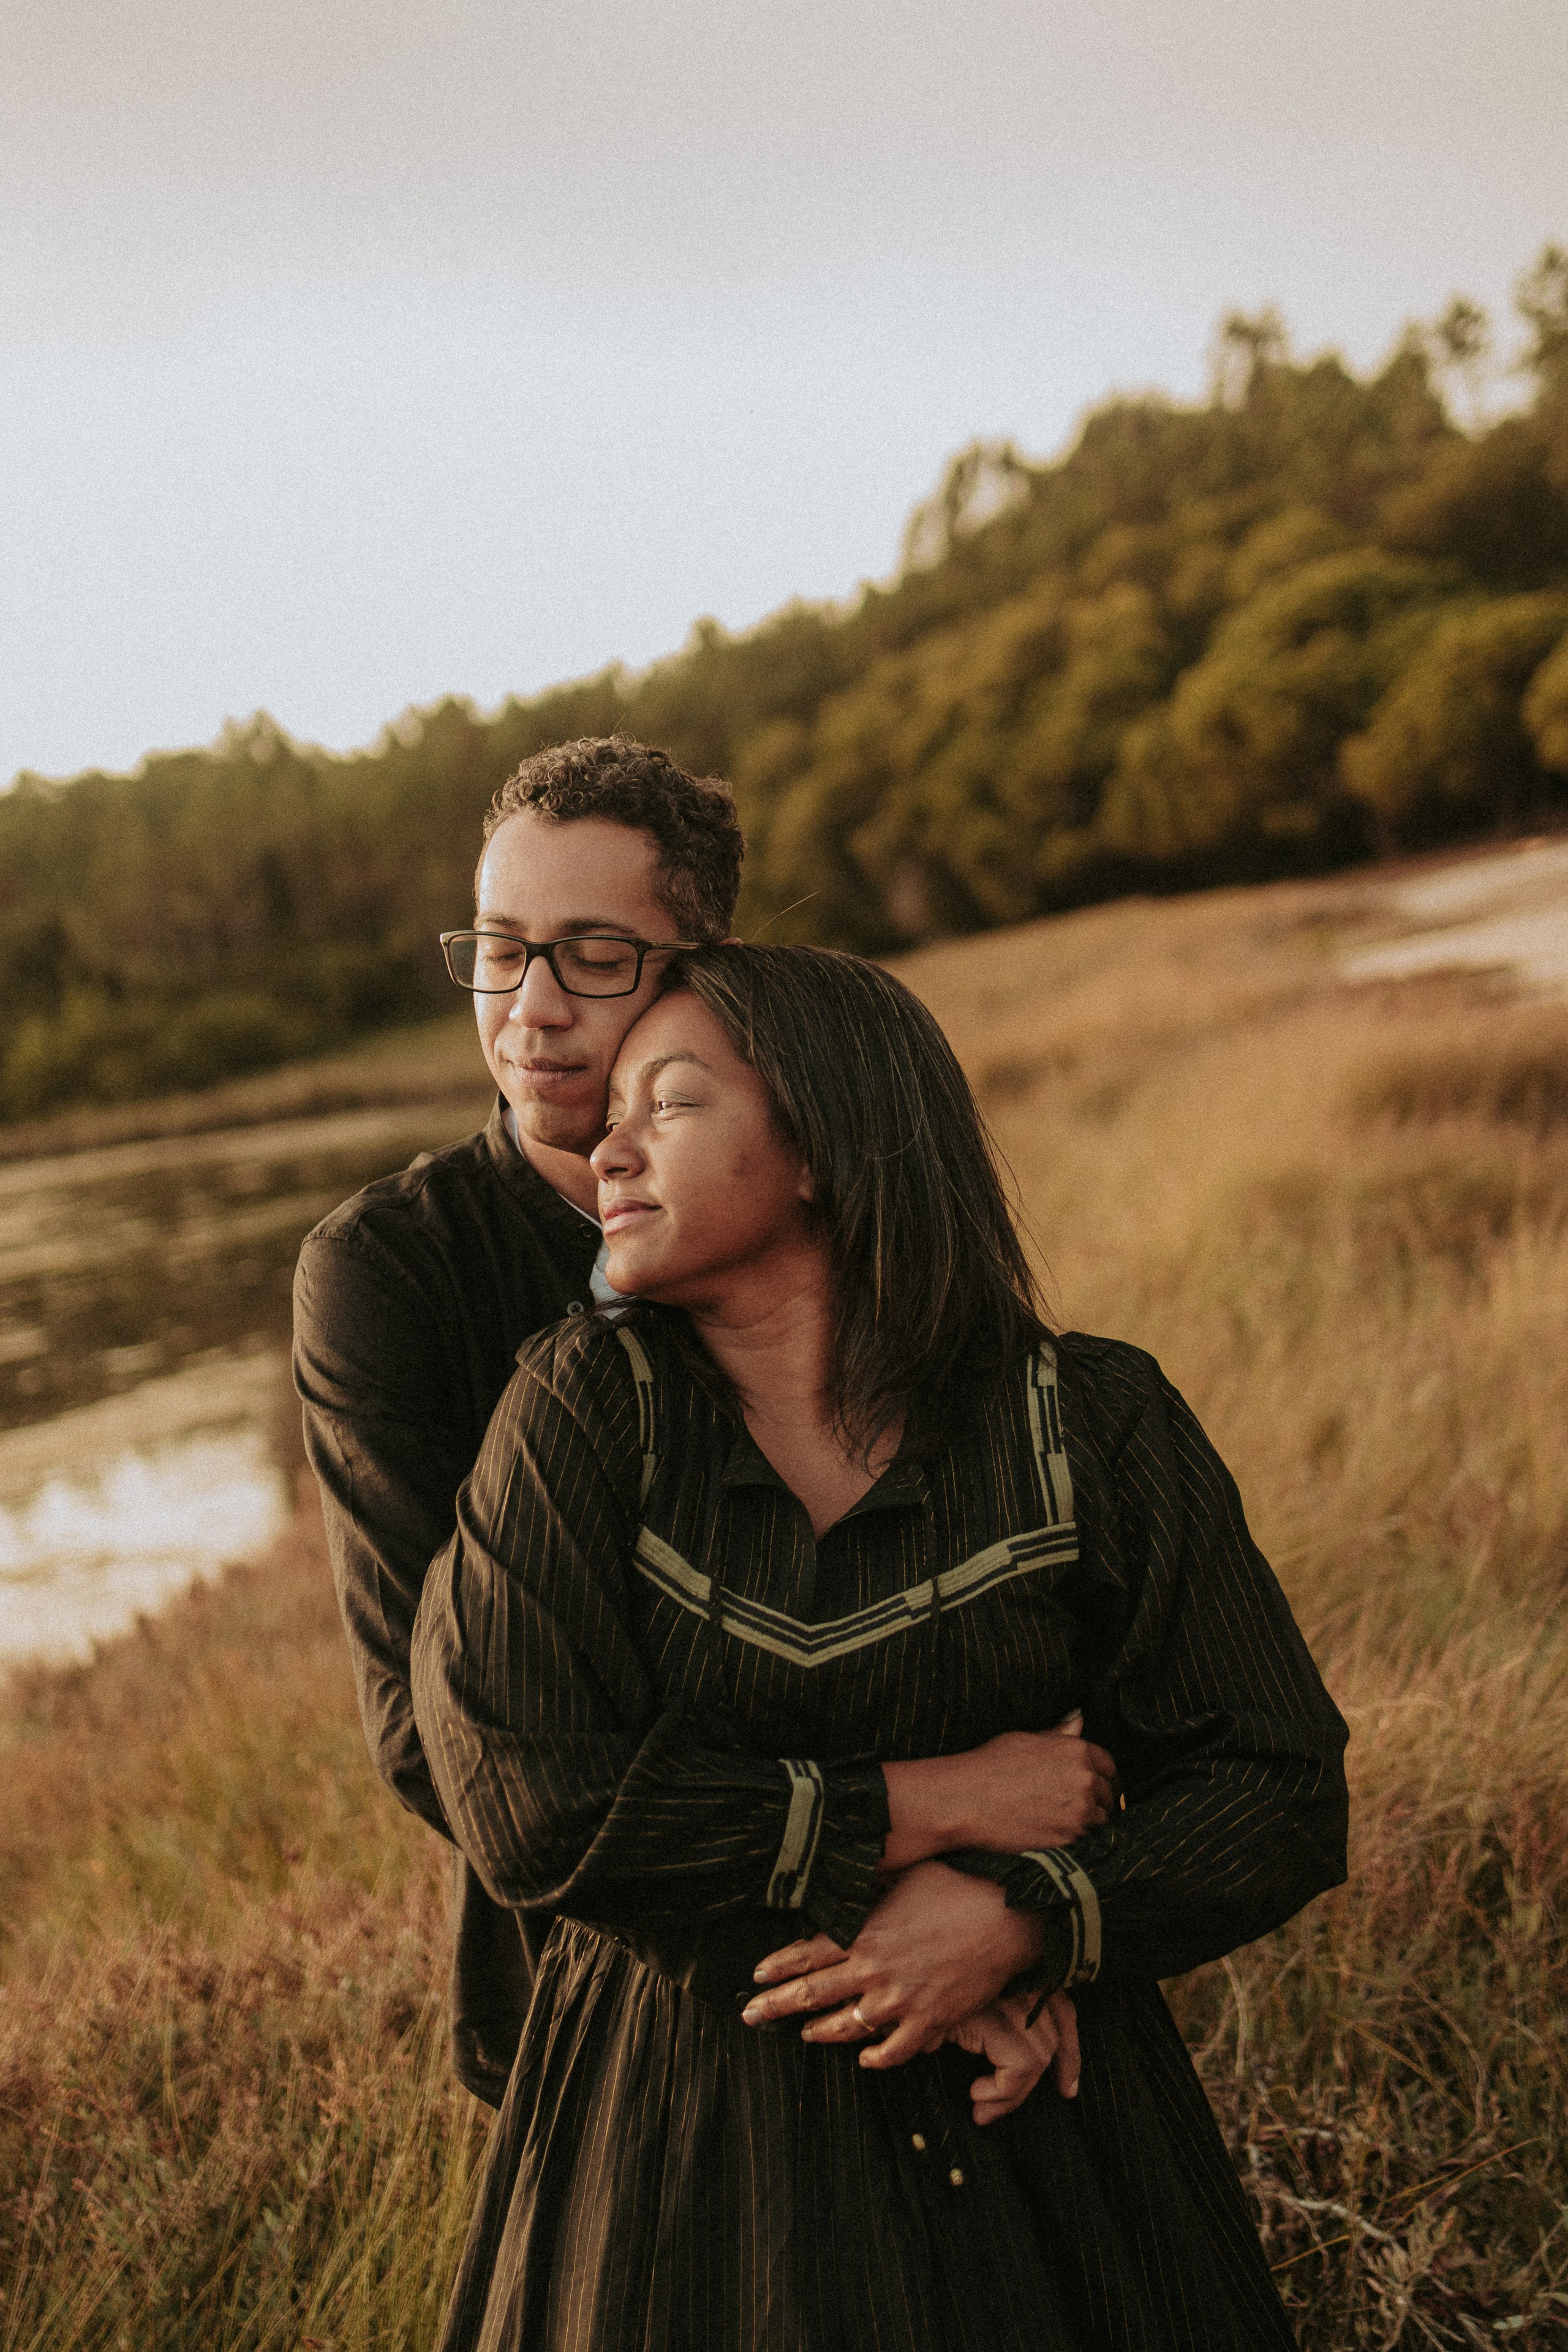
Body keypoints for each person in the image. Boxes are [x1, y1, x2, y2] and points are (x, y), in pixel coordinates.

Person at [410, 943, 1350, 2352]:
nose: (603, 1148)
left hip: (1049, 2156)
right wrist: (927, 1807)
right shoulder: (577, 1412)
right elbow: (529, 1804)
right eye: (609, 1111)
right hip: (674, 2167)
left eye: (665, 1105)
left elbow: (1277, 1782)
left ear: (825, 1148)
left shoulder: (1086, 1421)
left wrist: (1021, 1921)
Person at [292, 736, 748, 2103]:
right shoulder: (386, 1270)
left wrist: (988, 1911)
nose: (529, 1008)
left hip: (932, 1960)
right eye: (500, 948)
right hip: (589, 2000)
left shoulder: (814, 1203)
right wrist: (860, 1854)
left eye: (593, 955)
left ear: (701, 969)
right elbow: (435, 1735)